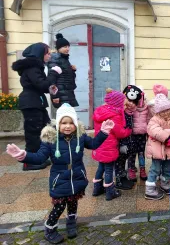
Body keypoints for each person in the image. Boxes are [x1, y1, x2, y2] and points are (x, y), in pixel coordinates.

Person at [6, 103, 114, 244]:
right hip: (59, 178)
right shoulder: (51, 140)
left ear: (75, 123)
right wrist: (24, 156)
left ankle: (71, 223)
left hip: (77, 176)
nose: (67, 126)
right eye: (64, 123)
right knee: (60, 205)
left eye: (71, 123)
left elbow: (93, 144)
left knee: (73, 201)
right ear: (58, 123)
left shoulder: (80, 137)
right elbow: (40, 157)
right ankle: (50, 229)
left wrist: (104, 133)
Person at [11, 42, 62, 171]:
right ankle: (29, 162)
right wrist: (53, 73)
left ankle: (39, 157)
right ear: (40, 54)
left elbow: (44, 87)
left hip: (35, 102)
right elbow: (43, 85)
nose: (49, 56)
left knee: (44, 129)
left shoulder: (35, 67)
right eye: (47, 53)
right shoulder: (33, 68)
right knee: (33, 132)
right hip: (31, 103)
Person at [92, 89, 132, 201]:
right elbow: (120, 132)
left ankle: (97, 189)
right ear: (117, 103)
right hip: (109, 148)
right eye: (123, 104)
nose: (124, 106)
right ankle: (110, 192)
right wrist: (128, 131)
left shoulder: (100, 112)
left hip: (99, 145)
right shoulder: (114, 115)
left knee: (101, 167)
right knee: (109, 169)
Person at [145, 94, 170, 200]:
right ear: (158, 112)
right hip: (157, 150)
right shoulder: (154, 120)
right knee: (155, 169)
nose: (165, 113)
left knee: (168, 168)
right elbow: (153, 130)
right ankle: (149, 190)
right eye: (162, 111)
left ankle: (165, 184)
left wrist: (164, 133)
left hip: (169, 150)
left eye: (167, 110)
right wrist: (166, 136)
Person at [115, 85, 144, 190]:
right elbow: (119, 129)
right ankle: (118, 181)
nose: (131, 104)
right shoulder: (120, 112)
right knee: (119, 162)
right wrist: (122, 144)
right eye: (129, 100)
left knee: (123, 161)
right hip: (121, 143)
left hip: (129, 142)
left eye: (134, 102)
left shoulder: (131, 113)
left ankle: (123, 178)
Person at [48, 33, 78, 108]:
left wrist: (72, 71)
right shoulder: (55, 59)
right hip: (61, 95)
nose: (67, 49)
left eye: (68, 46)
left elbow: (68, 78)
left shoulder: (64, 59)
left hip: (68, 94)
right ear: (58, 48)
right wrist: (55, 96)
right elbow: (52, 80)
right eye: (65, 47)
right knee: (64, 118)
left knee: (69, 118)